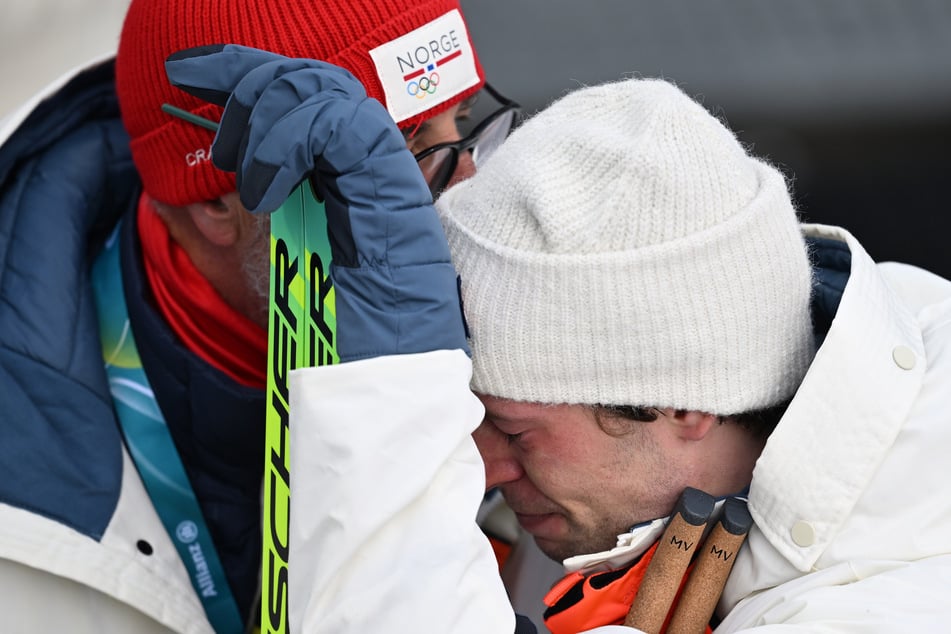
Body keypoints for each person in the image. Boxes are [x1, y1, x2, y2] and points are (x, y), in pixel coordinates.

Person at [170, 46, 951, 633]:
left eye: (511, 428)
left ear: (678, 404)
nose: (481, 465)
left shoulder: (881, 600)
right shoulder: (618, 498)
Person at [0, 0, 521, 632]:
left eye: (463, 123)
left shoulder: (522, 353)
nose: (467, 190)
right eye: (395, 150)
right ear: (219, 201)